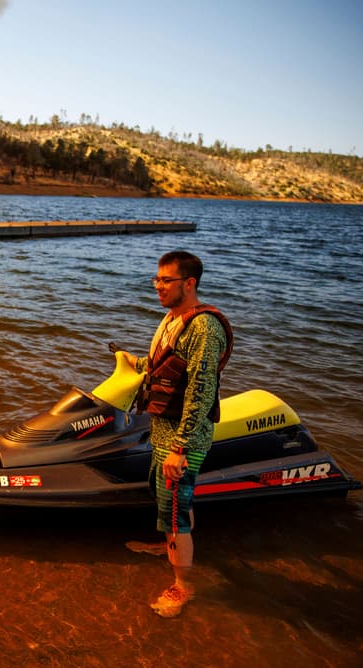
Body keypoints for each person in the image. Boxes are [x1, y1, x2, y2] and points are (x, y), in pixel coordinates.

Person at [121, 250, 233, 618]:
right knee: (167, 503)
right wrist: (133, 362)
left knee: (176, 516)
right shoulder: (173, 319)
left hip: (183, 441)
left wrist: (180, 448)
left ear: (189, 283)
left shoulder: (204, 328)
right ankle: (167, 543)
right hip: (164, 432)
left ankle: (183, 586)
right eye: (156, 279)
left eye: (166, 280)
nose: (158, 286)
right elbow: (166, 366)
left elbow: (201, 392)